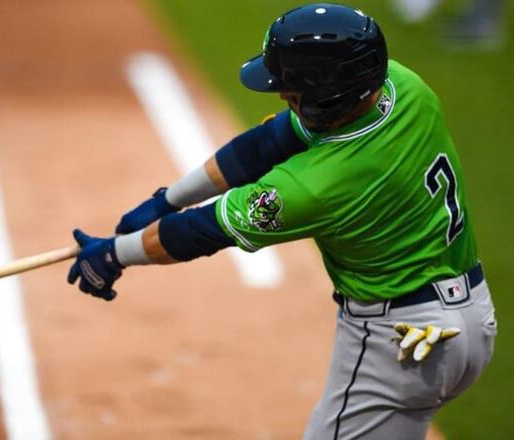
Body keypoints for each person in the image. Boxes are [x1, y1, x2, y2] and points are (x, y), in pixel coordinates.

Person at [67, 3, 496, 438]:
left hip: (399, 343)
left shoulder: (312, 187)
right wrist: (167, 199)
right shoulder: (403, 88)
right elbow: (266, 143)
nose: (281, 96)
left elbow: (200, 232)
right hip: (471, 324)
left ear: (327, 98)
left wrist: (113, 255)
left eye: (291, 91)